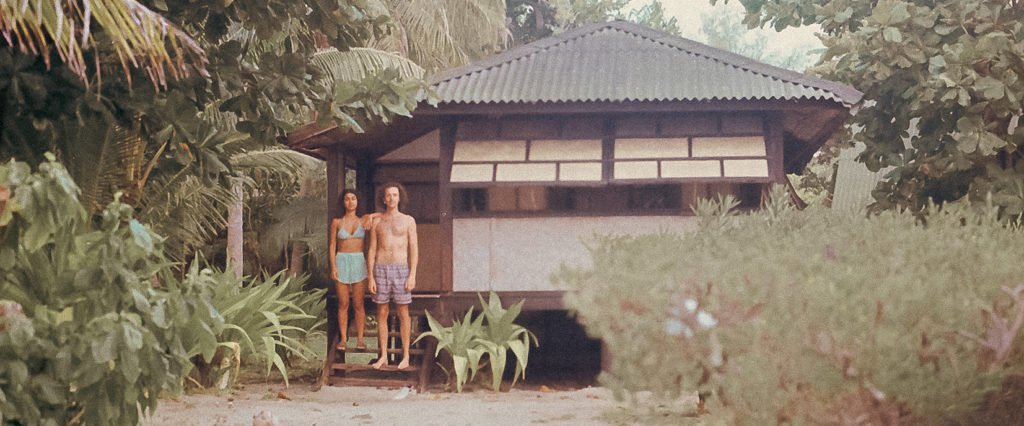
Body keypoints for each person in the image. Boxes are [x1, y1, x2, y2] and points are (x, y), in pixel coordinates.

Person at [368, 182, 418, 370]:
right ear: (383, 199)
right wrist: (371, 276)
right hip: (381, 269)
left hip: (401, 269)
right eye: (388, 195)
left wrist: (412, 275)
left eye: (395, 195)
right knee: (382, 312)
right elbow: (372, 249)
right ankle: (383, 356)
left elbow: (414, 249)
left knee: (403, 313)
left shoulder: (408, 220)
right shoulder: (377, 222)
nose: (391, 198)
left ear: (399, 197)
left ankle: (406, 356)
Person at [329, 190, 380, 350]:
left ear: (358, 201)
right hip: (341, 261)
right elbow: (332, 246)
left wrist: (371, 216)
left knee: (358, 304)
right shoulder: (337, 222)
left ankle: (360, 340)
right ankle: (344, 339)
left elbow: (383, 215)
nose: (350, 202)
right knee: (343, 303)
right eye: (347, 199)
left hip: (359, 262)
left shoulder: (363, 220)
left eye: (353, 198)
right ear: (343, 202)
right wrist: (333, 267)